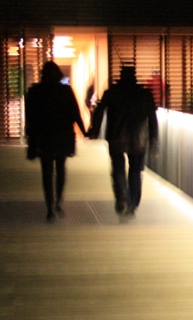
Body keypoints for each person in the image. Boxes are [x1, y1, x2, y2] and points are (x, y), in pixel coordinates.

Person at [90, 66, 158, 217]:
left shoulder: (112, 92)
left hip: (116, 137)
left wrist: (94, 130)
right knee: (135, 171)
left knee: (118, 169)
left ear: (121, 77)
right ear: (134, 77)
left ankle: (121, 195)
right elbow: (152, 118)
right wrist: (153, 138)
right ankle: (132, 205)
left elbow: (100, 111)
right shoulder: (144, 94)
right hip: (139, 138)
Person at [25, 61, 85, 222]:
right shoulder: (65, 91)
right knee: (60, 169)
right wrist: (85, 131)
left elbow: (30, 118)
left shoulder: (35, 91)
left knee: (47, 172)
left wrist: (30, 137)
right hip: (62, 136)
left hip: (43, 137)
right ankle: (58, 201)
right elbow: (75, 113)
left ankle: (49, 206)